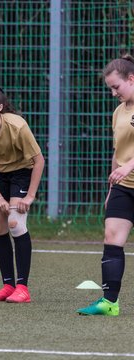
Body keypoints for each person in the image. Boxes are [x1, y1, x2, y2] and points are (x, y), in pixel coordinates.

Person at [0, 86, 45, 303]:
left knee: (15, 224)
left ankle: (23, 288)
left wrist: (30, 196)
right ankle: (7, 285)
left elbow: (39, 160)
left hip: (22, 171)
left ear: (0, 108)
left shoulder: (17, 126)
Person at [77, 53, 134, 316]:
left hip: (129, 173)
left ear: (131, 79)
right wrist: (112, 186)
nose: (113, 93)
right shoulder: (118, 113)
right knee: (112, 237)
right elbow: (117, 151)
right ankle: (109, 303)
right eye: (110, 88)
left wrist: (129, 166)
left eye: (116, 87)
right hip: (124, 187)